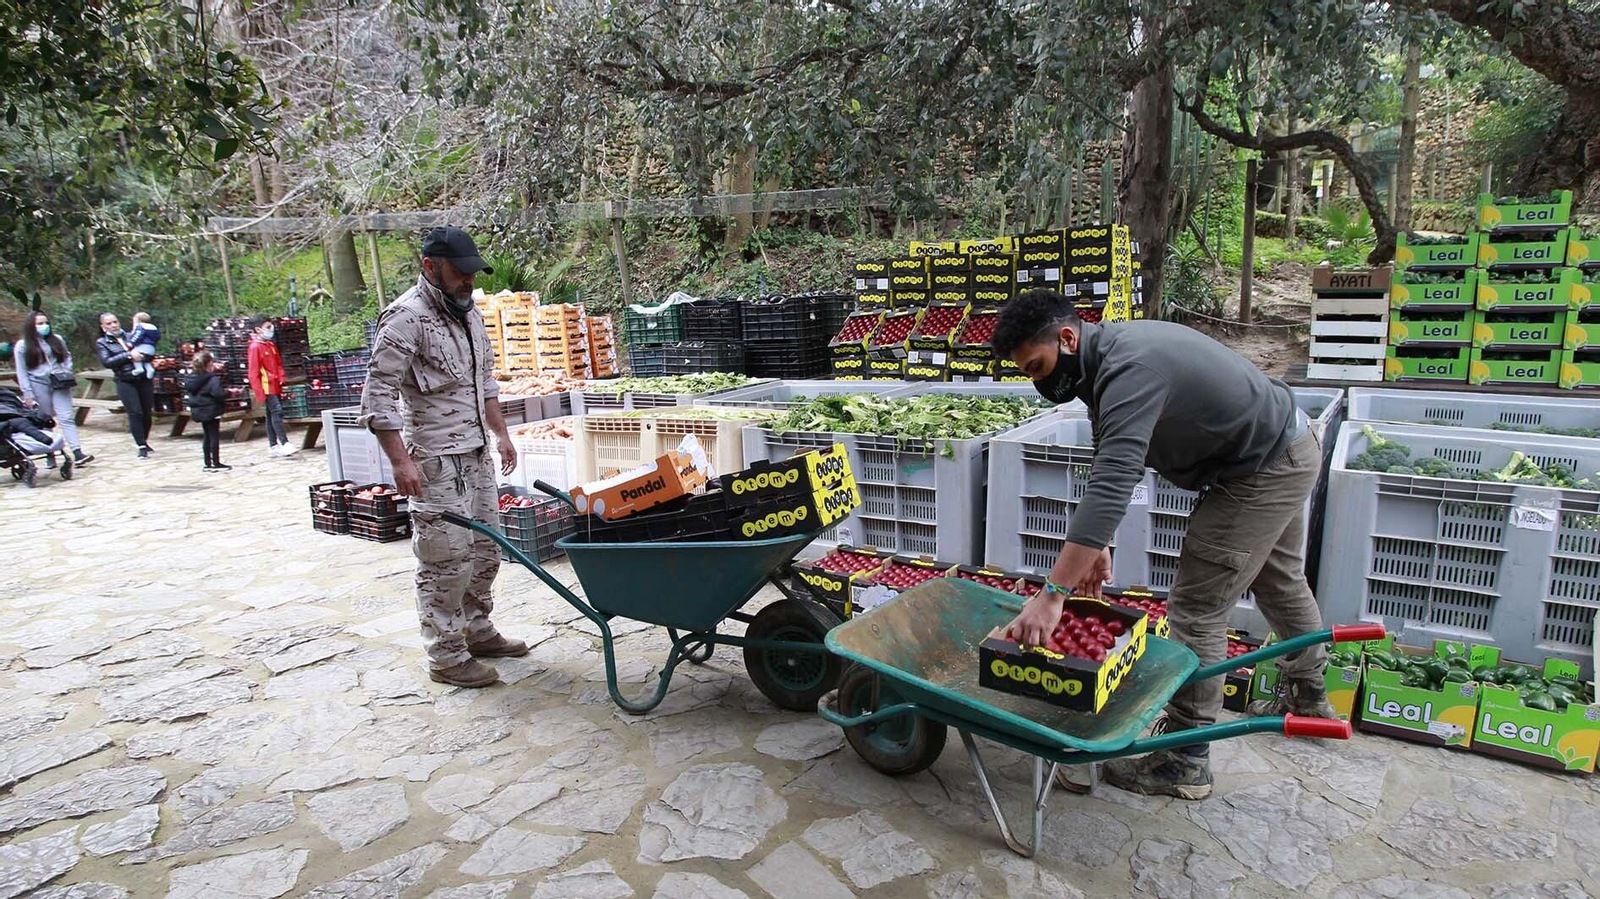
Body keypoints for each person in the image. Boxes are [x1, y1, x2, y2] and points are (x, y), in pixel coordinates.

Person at [992, 289, 1334, 800]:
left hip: (1261, 468)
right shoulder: (1103, 359)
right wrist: (1100, 540)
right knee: (1277, 579)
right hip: (1284, 443)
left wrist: (1053, 593)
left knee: (1197, 605)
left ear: (1067, 337)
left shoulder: (1130, 369)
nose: (1038, 381)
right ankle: (1310, 696)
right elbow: (1111, 446)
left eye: (1037, 367)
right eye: (1027, 373)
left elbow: (1113, 480)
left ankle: (1185, 757)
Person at [360, 226, 525, 688]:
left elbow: (484, 382)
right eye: (460, 272)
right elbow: (377, 397)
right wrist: (400, 461)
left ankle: (477, 630)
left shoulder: (468, 315)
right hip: (434, 460)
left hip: (475, 453)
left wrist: (502, 434)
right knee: (444, 560)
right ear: (429, 267)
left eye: (472, 273)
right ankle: (446, 656)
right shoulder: (403, 319)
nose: (468, 281)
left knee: (487, 549)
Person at [14, 310, 93, 467]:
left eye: (46, 323)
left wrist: (65, 370)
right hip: (38, 384)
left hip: (59, 382)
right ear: (31, 326)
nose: (44, 326)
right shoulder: (22, 346)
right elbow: (21, 371)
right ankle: (49, 452)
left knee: (66, 417)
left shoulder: (57, 339)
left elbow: (66, 356)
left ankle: (77, 452)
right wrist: (27, 393)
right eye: (40, 324)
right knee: (45, 419)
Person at [95, 312, 157, 458]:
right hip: (125, 379)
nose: (113, 325)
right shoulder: (102, 342)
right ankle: (141, 444)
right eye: (109, 323)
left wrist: (144, 355)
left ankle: (145, 440)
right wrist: (128, 355)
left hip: (143, 378)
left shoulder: (132, 335)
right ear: (103, 327)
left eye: (115, 322)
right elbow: (107, 362)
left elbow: (149, 349)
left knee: (147, 412)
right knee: (135, 412)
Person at [247, 316, 295, 457]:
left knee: (270, 414)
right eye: (268, 327)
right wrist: (259, 392)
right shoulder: (255, 347)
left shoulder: (270, 345)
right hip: (266, 386)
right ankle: (284, 442)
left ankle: (273, 445)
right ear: (258, 329)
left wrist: (281, 377)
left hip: (275, 384)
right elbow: (253, 372)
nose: (271, 329)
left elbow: (278, 363)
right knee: (277, 412)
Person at [185, 350, 231, 472]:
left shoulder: (190, 379)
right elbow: (218, 394)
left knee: (207, 435)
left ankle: (207, 463)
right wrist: (228, 393)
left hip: (199, 411)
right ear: (209, 363)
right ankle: (215, 462)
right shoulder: (212, 379)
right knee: (214, 435)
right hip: (212, 409)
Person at [127, 312, 162, 380]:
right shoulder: (154, 328)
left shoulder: (140, 327)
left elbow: (138, 336)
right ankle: (150, 369)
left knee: (134, 355)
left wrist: (132, 343)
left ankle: (139, 368)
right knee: (146, 360)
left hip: (142, 347)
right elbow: (158, 337)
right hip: (151, 349)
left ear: (138, 320)